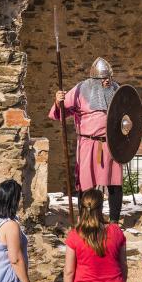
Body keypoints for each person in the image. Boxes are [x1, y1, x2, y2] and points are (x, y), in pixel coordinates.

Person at [49, 57, 123, 222]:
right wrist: (58, 101)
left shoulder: (116, 89)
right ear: (94, 80)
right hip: (88, 144)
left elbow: (126, 113)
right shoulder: (81, 89)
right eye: (102, 79)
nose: (106, 81)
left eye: (108, 78)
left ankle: (114, 221)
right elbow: (61, 113)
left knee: (114, 182)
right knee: (85, 182)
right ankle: (87, 218)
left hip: (111, 144)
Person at [63, 188, 128, 282]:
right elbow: (123, 265)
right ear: (101, 207)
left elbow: (69, 271)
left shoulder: (75, 235)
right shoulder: (116, 231)